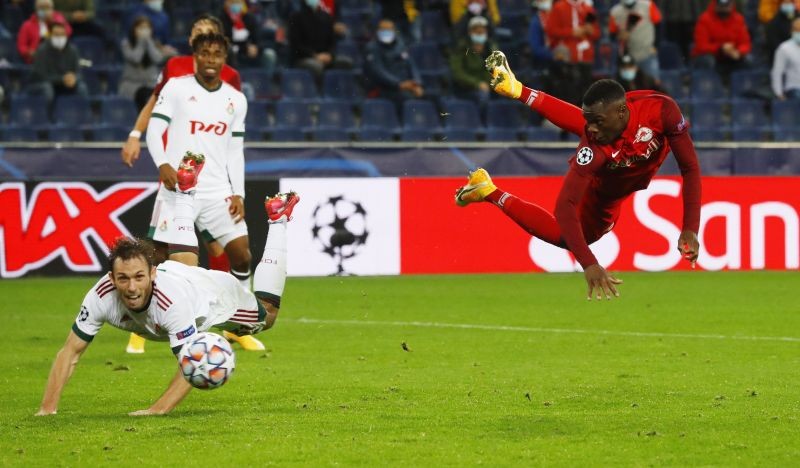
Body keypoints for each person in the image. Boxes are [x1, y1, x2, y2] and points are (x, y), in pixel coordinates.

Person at [455, 51, 701, 299]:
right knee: (570, 237)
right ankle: (488, 190)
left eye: (596, 121)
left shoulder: (661, 111)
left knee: (591, 125)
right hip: (604, 193)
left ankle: (517, 89)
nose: (591, 129)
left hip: (623, 159)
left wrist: (690, 227)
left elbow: (689, 167)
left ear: (621, 112)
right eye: (589, 121)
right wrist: (589, 263)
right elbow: (565, 206)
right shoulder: (593, 147)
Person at [35, 186, 300, 416]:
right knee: (182, 264)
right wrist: (47, 408)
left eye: (139, 277)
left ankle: (277, 220)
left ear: (151, 273)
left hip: (214, 296)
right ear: (111, 278)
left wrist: (157, 409)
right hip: (177, 275)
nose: (131, 287)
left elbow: (192, 362)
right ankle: (185, 194)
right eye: (123, 278)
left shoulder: (170, 303)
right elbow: (70, 352)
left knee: (267, 315)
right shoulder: (100, 296)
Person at [120, 16, 241, 347]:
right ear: (191, 39)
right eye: (197, 32)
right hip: (176, 170)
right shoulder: (174, 68)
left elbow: (228, 124)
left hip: (211, 178)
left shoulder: (230, 78)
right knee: (161, 249)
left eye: (209, 34)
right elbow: (152, 105)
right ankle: (141, 328)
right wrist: (135, 135)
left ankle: (229, 323)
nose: (203, 38)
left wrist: (231, 184)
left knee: (219, 248)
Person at [144, 32, 266, 353]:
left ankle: (239, 326)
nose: (211, 59)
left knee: (241, 254)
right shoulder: (176, 88)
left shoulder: (236, 100)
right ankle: (173, 326)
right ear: (195, 56)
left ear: (224, 59)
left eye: (217, 54)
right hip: (181, 188)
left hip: (218, 191)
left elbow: (235, 151)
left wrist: (238, 192)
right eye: (205, 53)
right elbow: (155, 131)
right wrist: (163, 165)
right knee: (181, 267)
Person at [545, 0, 600, 105]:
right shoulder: (559, 7)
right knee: (568, 96)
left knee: (586, 96)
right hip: (567, 60)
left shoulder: (588, 8)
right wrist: (571, 32)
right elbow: (551, 30)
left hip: (586, 59)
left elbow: (596, 34)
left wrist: (590, 31)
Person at [26, 21, 88, 104]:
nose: (59, 38)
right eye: (56, 34)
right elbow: (41, 76)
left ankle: (82, 115)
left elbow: (79, 73)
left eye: (62, 34)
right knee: (47, 89)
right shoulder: (42, 50)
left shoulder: (73, 50)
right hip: (43, 85)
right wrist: (62, 79)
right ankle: (47, 116)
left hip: (65, 85)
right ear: (50, 35)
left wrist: (74, 78)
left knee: (82, 88)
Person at [365, 18, 424, 104]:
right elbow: (379, 72)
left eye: (389, 29)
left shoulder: (400, 45)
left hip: (407, 86)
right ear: (377, 31)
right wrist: (399, 84)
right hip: (386, 88)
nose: (386, 32)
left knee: (431, 98)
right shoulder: (372, 48)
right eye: (383, 29)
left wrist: (417, 83)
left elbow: (411, 65)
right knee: (407, 100)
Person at [288, 0, 349, 79]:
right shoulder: (296, 17)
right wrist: (314, 55)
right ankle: (319, 91)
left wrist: (330, 55)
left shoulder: (326, 17)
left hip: (326, 57)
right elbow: (296, 45)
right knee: (317, 67)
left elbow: (332, 42)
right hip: (304, 58)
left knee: (345, 63)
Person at [692, 0, 752, 77]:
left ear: (731, 4)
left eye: (726, 5)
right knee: (708, 60)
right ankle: (709, 85)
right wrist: (720, 48)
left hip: (732, 54)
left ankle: (744, 86)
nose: (724, 8)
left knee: (748, 59)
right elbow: (701, 46)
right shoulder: (704, 19)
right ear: (715, 4)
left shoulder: (738, 19)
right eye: (721, 5)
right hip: (711, 55)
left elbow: (746, 43)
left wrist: (738, 52)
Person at [608, 0, 662, 81]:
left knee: (653, 85)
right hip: (628, 57)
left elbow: (658, 25)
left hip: (647, 54)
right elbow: (612, 36)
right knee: (629, 89)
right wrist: (619, 36)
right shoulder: (615, 12)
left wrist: (655, 46)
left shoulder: (647, 4)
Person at [119, 16, 164, 111]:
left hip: (151, 84)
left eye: (147, 28)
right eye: (141, 28)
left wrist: (149, 42)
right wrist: (141, 42)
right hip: (133, 85)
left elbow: (158, 59)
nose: (144, 31)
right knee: (143, 95)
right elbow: (136, 58)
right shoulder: (126, 44)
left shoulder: (154, 43)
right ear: (134, 30)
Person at [220, 0, 276, 74]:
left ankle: (266, 80)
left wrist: (257, 48)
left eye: (238, 2)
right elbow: (223, 41)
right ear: (226, 3)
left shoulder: (249, 18)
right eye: (232, 2)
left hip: (249, 51)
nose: (235, 5)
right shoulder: (221, 19)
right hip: (231, 52)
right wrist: (241, 49)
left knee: (269, 54)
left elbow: (258, 39)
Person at [449, 16, 496, 104]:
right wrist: (477, 83)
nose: (480, 34)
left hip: (489, 86)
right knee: (483, 96)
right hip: (466, 89)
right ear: (470, 32)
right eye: (477, 32)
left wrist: (488, 83)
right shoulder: (461, 48)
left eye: (482, 32)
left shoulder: (491, 48)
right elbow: (458, 73)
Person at [771, 16, 800, 100]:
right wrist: (779, 93)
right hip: (794, 88)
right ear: (791, 31)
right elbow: (777, 72)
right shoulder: (784, 48)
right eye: (796, 30)